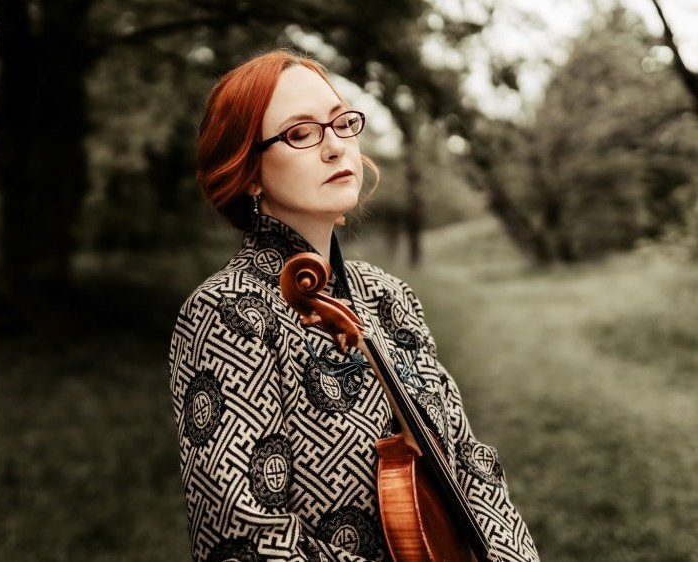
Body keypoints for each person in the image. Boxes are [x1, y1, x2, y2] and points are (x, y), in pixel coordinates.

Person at [167, 50, 540, 562]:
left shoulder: (388, 297)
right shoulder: (226, 311)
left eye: (341, 123)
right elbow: (245, 538)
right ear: (249, 172)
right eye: (300, 134)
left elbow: (469, 464)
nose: (335, 147)